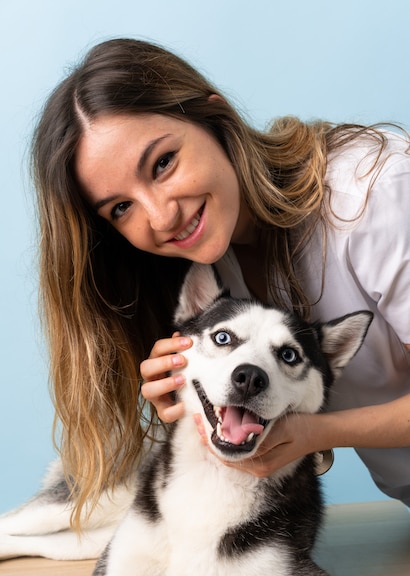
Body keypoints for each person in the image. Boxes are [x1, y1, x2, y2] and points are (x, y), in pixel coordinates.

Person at [31, 37, 410, 528]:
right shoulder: (212, 274)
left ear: (217, 120)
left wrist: (315, 432)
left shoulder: (374, 193)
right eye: (121, 207)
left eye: (163, 163)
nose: (162, 215)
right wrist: (197, 399)